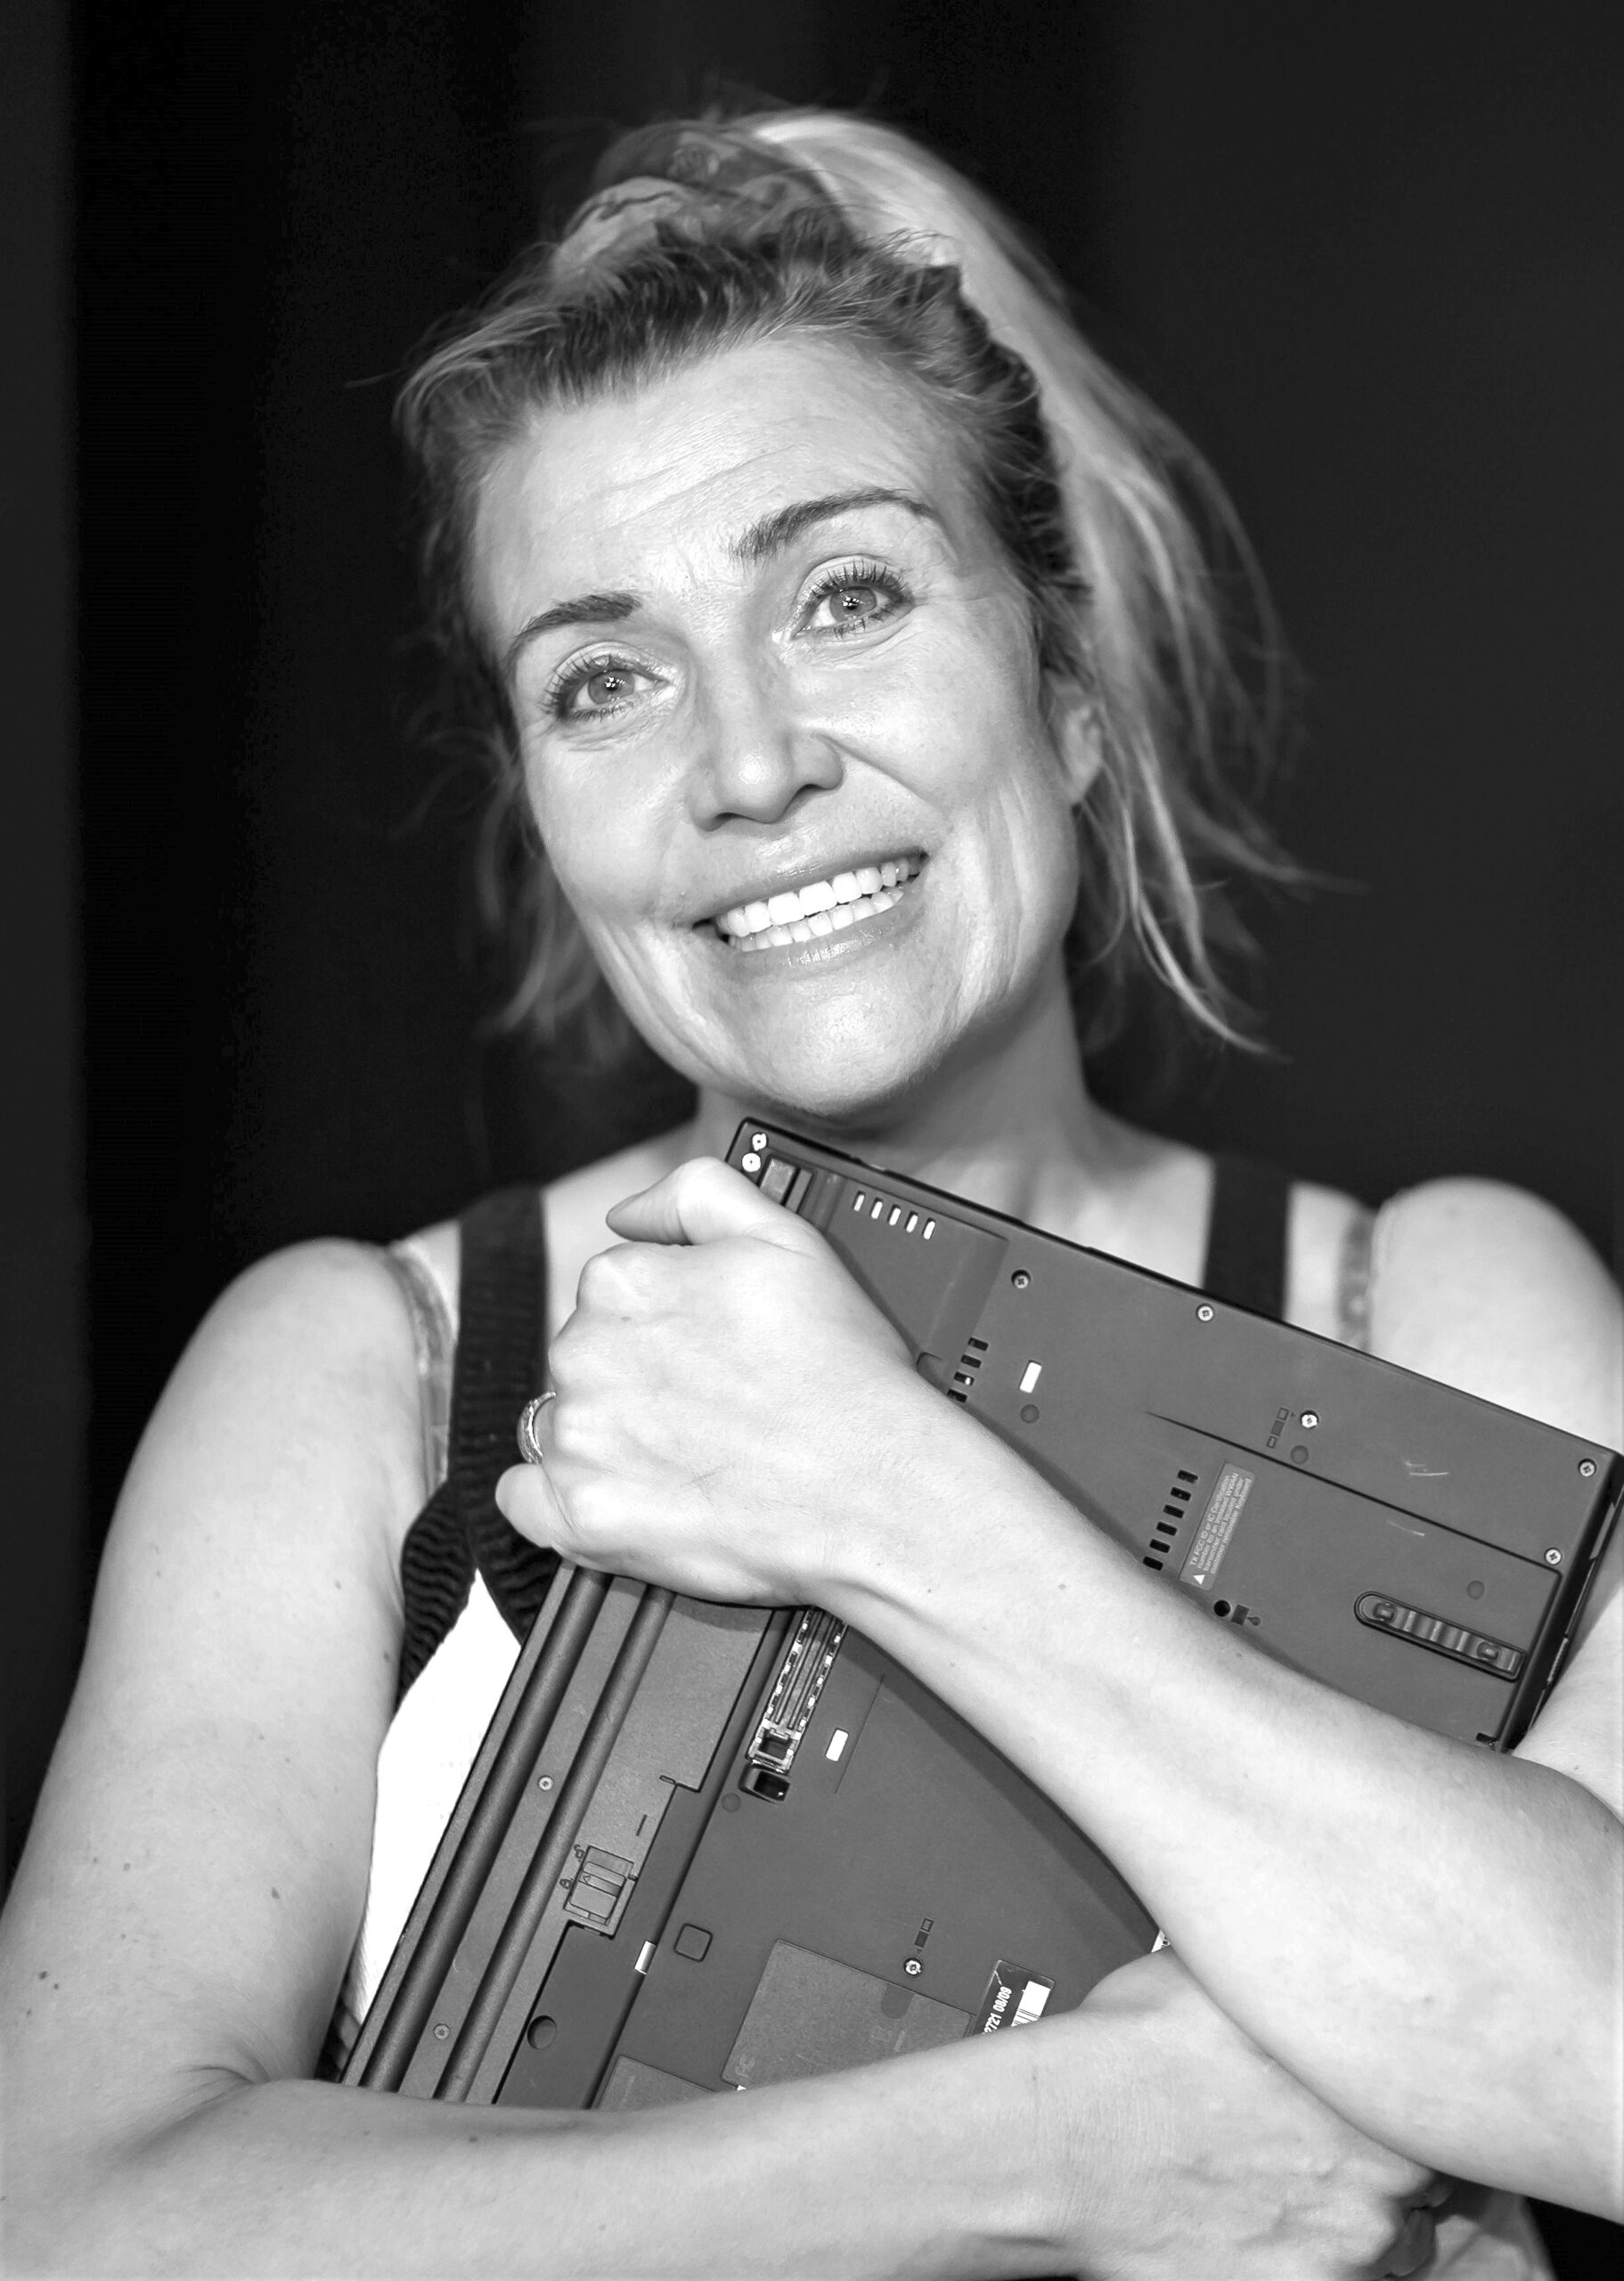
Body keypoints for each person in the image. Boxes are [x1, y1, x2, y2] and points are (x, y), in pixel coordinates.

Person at [4, 105, 1618, 2280]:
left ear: (1066, 692)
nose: (749, 763)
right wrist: (1064, 2150)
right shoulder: (370, 1368)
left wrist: (885, 1490)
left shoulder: (1426, 1298)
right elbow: (72, 2226)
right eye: (605, 679)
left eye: (845, 596)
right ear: (538, 808)